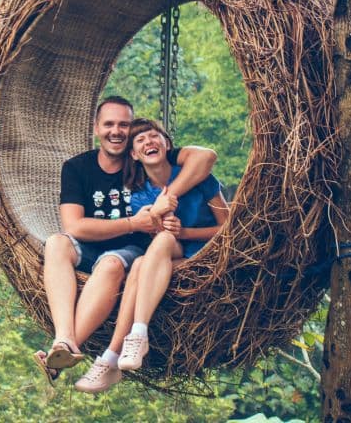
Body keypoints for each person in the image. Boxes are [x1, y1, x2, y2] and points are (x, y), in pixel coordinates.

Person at [35, 98, 217, 382]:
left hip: (129, 250)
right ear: (96, 128)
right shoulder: (77, 167)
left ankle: (69, 349)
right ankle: (63, 339)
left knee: (110, 264)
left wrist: (165, 199)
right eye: (109, 124)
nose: (116, 131)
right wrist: (134, 222)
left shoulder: (146, 159)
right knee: (56, 242)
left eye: (124, 124)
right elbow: (74, 226)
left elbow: (205, 158)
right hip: (88, 245)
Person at [74, 118, 228, 393]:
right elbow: (157, 238)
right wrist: (158, 214)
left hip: (210, 257)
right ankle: (128, 343)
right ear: (133, 154)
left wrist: (185, 232)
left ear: (167, 144)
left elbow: (230, 228)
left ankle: (118, 350)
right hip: (172, 260)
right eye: (140, 140)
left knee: (152, 254)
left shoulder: (198, 177)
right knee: (144, 259)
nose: (148, 142)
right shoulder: (137, 196)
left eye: (154, 136)